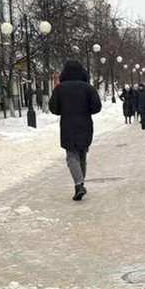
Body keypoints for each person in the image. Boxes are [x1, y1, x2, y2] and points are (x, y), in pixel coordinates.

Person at [48, 60, 103, 201]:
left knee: (71, 155)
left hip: (67, 125)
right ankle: (80, 183)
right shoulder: (88, 88)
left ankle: (79, 184)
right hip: (85, 125)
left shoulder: (60, 89)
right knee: (82, 154)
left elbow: (53, 108)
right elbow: (97, 107)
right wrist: (86, 110)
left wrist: (65, 110)